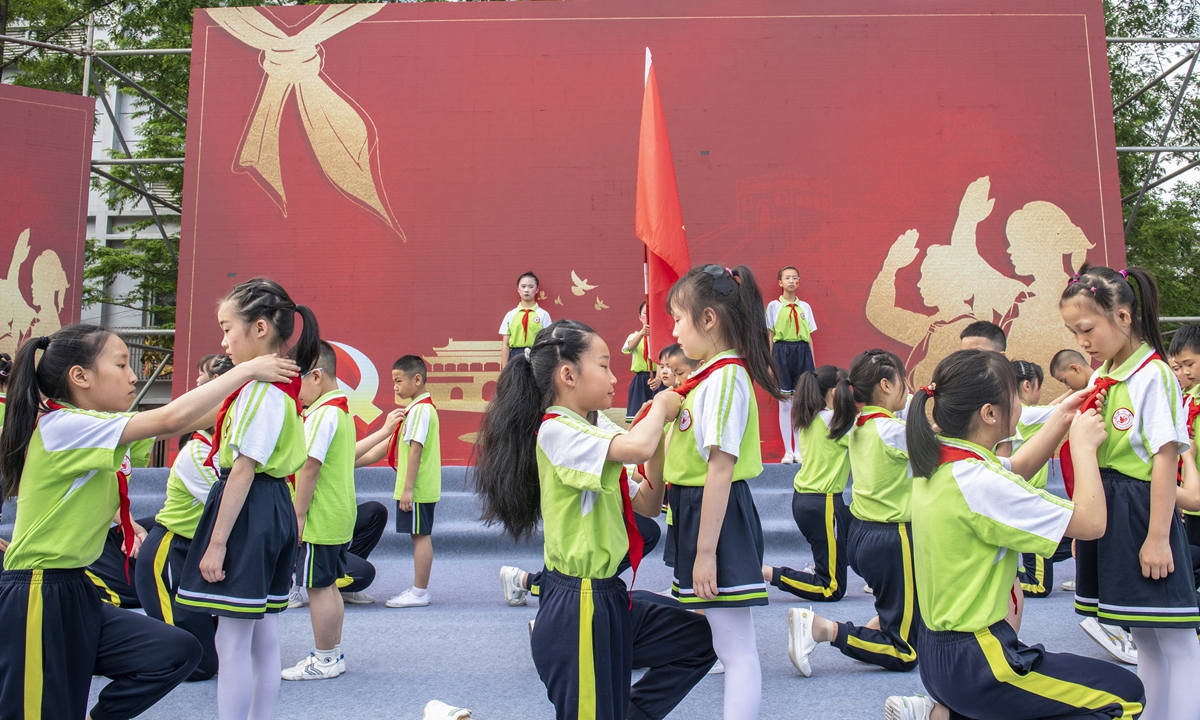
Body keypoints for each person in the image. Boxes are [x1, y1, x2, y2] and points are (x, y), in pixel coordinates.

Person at [0, 323, 297, 719]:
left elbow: (210, 413)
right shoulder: (63, 426)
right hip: (39, 592)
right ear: (80, 376)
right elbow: (171, 420)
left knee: (176, 652)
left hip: (75, 588)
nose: (133, 375)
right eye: (122, 364)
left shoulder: (89, 428)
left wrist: (260, 388)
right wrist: (245, 371)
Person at [474, 319, 717, 720]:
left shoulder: (596, 425)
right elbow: (637, 445)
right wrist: (659, 409)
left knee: (701, 640)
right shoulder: (556, 431)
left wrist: (656, 438)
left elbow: (651, 504)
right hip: (578, 601)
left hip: (606, 596)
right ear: (568, 374)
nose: (613, 375)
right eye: (603, 365)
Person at [884, 349, 1144, 720]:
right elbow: (1091, 523)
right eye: (1015, 397)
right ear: (990, 413)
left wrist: (1063, 416)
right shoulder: (980, 482)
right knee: (1126, 695)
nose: (1021, 404)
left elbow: (1018, 466)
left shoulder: (942, 459)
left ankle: (946, 714)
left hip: (940, 658)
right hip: (982, 664)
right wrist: (1083, 448)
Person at [175, 278, 319, 720]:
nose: (222, 342)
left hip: (250, 506)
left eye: (227, 329)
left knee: (232, 639)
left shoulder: (262, 389)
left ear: (259, 328)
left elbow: (242, 468)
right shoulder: (272, 384)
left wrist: (217, 542)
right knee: (262, 632)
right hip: (270, 502)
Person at [1061, 265, 1199, 720]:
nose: (1081, 340)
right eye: (1073, 331)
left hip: (1141, 510)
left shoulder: (1153, 374)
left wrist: (1158, 537)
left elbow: (1164, 459)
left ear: (1122, 316)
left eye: (1087, 328)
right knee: (1144, 635)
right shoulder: (1107, 373)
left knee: (1178, 639)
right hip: (1113, 509)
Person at [664, 264, 784, 720]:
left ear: (708, 319)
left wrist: (706, 551)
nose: (674, 329)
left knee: (737, 652)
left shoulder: (725, 379)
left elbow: (719, 469)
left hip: (716, 517)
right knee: (725, 644)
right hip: (699, 512)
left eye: (679, 318)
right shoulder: (708, 378)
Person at [787, 350, 921, 677]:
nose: (908, 387)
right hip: (887, 534)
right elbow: (938, 449)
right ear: (887, 385)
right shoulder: (887, 430)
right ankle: (823, 629)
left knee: (907, 603)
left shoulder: (855, 424)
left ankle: (869, 636)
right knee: (905, 652)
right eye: (905, 382)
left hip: (859, 530)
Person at [135, 355, 235, 683]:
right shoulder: (196, 453)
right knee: (196, 665)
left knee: (223, 653)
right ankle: (108, 648)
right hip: (170, 554)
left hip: (196, 556)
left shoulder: (227, 451)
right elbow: (229, 508)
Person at [282, 341, 358, 681]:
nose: (295, 393)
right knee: (327, 586)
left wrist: (297, 516)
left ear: (317, 376)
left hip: (320, 515)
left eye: (298, 383)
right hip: (336, 513)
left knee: (317, 588)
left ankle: (325, 659)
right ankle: (331, 655)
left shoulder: (324, 413)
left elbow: (309, 468)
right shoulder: (338, 410)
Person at [762, 365, 850, 602]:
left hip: (805, 500)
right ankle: (767, 573)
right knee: (830, 588)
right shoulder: (835, 419)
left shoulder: (810, 418)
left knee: (854, 527)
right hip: (824, 503)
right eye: (845, 388)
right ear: (833, 392)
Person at [1009, 361, 1073, 600]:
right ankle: (1001, 583)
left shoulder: (1021, 413)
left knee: (1069, 535)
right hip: (1028, 501)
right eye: (1039, 387)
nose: (1041, 393)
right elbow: (1064, 409)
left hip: (1025, 498)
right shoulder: (1028, 414)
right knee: (1038, 584)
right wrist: (1081, 384)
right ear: (1027, 385)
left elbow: (1051, 407)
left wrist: (1071, 389)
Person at [386, 355, 441, 608]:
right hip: (414, 488)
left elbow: (416, 450)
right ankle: (419, 589)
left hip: (417, 488)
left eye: (399, 381)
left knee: (420, 536)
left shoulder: (420, 409)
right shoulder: (416, 409)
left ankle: (420, 592)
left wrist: (408, 489)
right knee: (417, 535)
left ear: (417, 380)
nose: (395, 387)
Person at [766, 266, 817, 464]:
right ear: (780, 282)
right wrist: (771, 363)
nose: (791, 281)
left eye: (795, 277)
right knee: (785, 402)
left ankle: (799, 451)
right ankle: (788, 451)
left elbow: (810, 338)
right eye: (787, 277)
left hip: (802, 352)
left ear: (799, 281)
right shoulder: (773, 306)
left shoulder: (805, 307)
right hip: (782, 353)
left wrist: (812, 361)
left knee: (800, 403)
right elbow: (770, 336)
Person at [499, 271, 551, 369]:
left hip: (537, 355)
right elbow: (505, 344)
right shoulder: (511, 315)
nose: (526, 290)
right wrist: (505, 367)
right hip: (515, 355)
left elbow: (547, 343)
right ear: (518, 289)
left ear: (537, 290)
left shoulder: (543, 315)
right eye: (523, 286)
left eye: (531, 287)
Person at [622, 302, 664, 421]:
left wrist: (659, 379)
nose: (649, 316)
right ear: (640, 316)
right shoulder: (633, 336)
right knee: (638, 417)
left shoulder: (661, 336)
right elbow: (629, 347)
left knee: (658, 418)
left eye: (652, 313)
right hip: (641, 381)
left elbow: (661, 360)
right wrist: (642, 333)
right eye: (645, 313)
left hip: (657, 380)